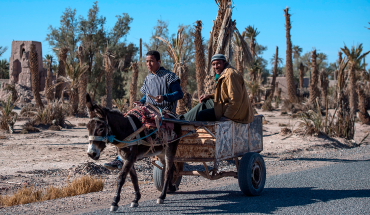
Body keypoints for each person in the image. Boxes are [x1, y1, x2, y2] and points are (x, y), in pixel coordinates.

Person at [104, 50, 184, 170]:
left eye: (151, 61)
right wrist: (141, 102)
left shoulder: (170, 76)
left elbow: (179, 93)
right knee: (130, 120)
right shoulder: (148, 78)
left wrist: (164, 97)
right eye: (147, 61)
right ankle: (121, 157)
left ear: (159, 61)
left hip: (165, 112)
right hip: (148, 109)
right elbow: (146, 96)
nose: (149, 64)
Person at [182, 54, 254, 123]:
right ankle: (183, 119)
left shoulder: (230, 74)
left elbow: (236, 99)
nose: (216, 67)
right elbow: (226, 93)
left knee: (202, 115)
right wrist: (210, 95)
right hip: (226, 105)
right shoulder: (223, 73)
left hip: (237, 113)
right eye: (213, 64)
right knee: (205, 102)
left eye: (218, 63)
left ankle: (186, 124)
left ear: (224, 63)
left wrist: (227, 116)